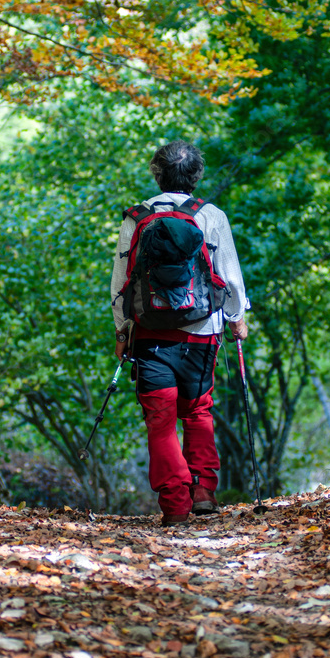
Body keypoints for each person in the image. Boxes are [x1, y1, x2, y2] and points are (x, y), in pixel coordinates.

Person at [111, 140, 249, 526]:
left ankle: (175, 505)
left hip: (151, 335)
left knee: (160, 420)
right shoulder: (211, 215)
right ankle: (203, 492)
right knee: (198, 412)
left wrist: (122, 331)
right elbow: (230, 274)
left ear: (157, 174)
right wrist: (238, 316)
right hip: (202, 333)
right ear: (197, 175)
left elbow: (120, 282)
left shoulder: (137, 218)